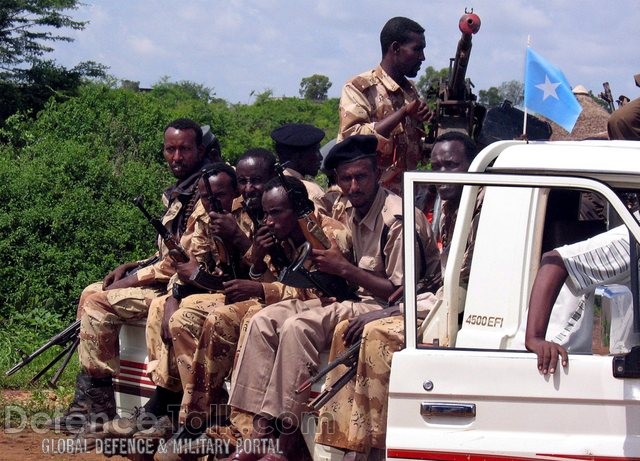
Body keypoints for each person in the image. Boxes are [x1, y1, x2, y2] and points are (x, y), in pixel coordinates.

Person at [221, 135, 440, 461]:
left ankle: (286, 439)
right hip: (351, 296)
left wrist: (345, 270)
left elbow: (401, 291)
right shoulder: (351, 210)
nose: (354, 186)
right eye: (346, 178)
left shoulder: (397, 219)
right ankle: (259, 432)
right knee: (264, 320)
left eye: (361, 177)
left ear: (377, 173)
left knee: (299, 326)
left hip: (387, 305)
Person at [314, 131, 480, 461]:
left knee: (375, 334)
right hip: (431, 304)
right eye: (437, 166)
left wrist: (390, 311)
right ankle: (339, 443)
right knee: (344, 329)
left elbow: (452, 290)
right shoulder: (448, 208)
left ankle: (377, 447)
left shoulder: (479, 210)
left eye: (452, 166)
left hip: (463, 313)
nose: (443, 175)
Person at [49, 118, 211, 434]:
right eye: (170, 149)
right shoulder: (181, 191)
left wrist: (132, 280)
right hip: (162, 276)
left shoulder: (204, 193)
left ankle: (99, 410)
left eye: (185, 149)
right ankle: (88, 399)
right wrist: (133, 265)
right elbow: (166, 250)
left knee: (99, 302)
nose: (177, 157)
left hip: (180, 285)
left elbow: (182, 261)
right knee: (89, 291)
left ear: (200, 150)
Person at [338, 16, 430, 195]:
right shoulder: (359, 87)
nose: (422, 57)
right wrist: (403, 113)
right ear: (395, 48)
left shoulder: (410, 90)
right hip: (368, 200)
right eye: (417, 49)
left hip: (405, 198)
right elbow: (352, 140)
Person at [525, 224, 631, 375]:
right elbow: (554, 261)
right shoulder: (629, 242)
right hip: (554, 356)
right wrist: (535, 339)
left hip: (589, 361)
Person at [271, 123, 332, 216]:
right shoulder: (311, 192)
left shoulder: (272, 188)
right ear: (298, 157)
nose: (320, 157)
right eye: (315, 151)